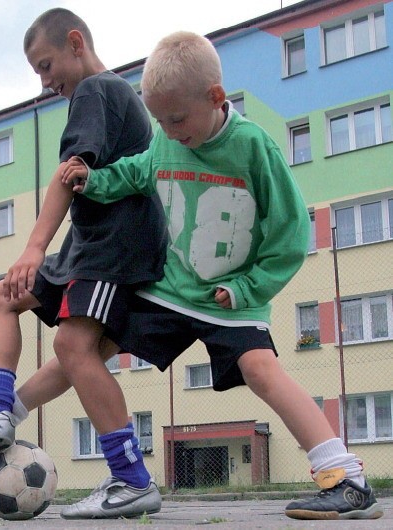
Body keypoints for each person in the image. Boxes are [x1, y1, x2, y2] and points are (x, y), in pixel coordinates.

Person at [60, 31, 384, 522]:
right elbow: (132, 172)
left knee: (261, 369)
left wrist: (247, 287)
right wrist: (93, 179)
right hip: (171, 291)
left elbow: (294, 234)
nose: (168, 131)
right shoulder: (167, 145)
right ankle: (20, 424)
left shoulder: (253, 148)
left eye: (177, 119)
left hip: (232, 296)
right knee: (85, 346)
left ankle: (345, 479)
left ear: (215, 97)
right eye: (159, 120)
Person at [0, 8, 165, 519]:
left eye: (45, 64)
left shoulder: (96, 91)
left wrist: (34, 248)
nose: (43, 80)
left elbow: (69, 174)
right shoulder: (110, 93)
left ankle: (131, 479)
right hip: (93, 245)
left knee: (72, 344)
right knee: (3, 303)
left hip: (114, 248)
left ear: (76, 42)